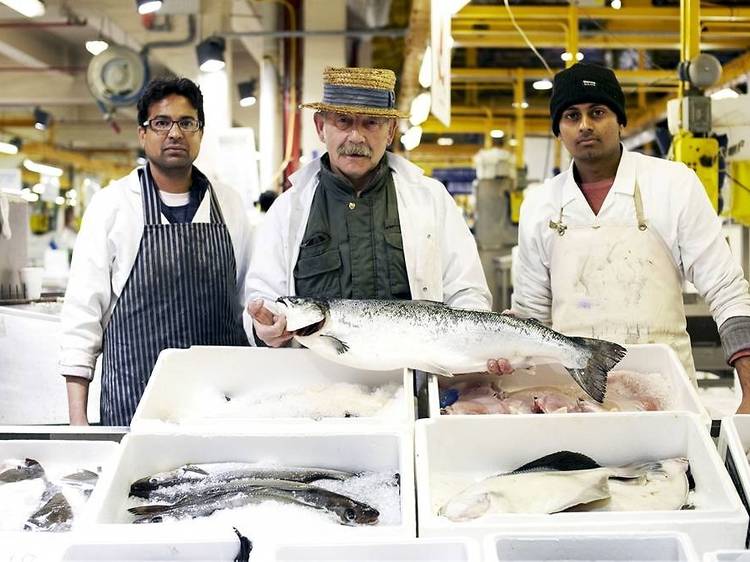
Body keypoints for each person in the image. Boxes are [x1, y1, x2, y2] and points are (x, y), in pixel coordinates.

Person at [512, 62, 750, 411]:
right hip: (575, 399)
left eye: (598, 112)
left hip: (667, 398)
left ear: (621, 120)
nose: (586, 126)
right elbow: (533, 317)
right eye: (571, 116)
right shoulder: (540, 203)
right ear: (558, 130)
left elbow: (727, 290)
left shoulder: (673, 184)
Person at [245, 66, 493, 351]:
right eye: (343, 120)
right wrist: (264, 325)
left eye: (371, 123)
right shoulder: (287, 210)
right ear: (320, 127)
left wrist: (475, 337)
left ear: (390, 132)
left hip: (411, 375)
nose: (356, 137)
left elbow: (466, 290)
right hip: (315, 382)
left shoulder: (431, 199)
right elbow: (262, 297)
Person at [60, 77, 252, 426]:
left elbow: (247, 305)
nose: (174, 133)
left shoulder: (230, 205)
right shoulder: (114, 205)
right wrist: (78, 422)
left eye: (186, 122)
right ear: (142, 134)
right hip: (134, 407)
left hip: (221, 411)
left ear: (200, 132)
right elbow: (82, 316)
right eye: (161, 123)